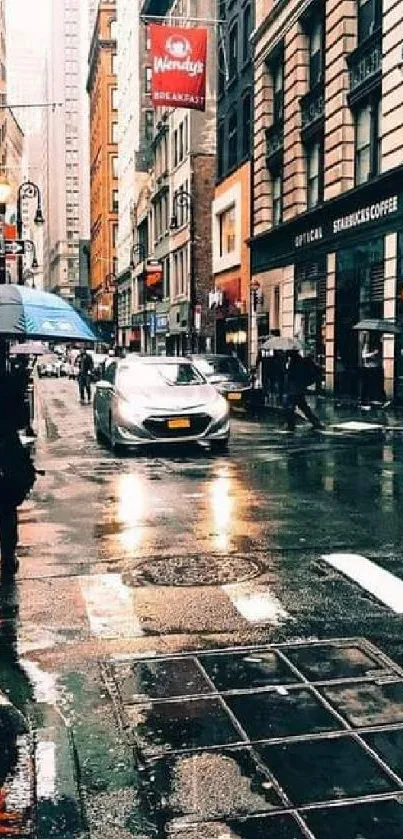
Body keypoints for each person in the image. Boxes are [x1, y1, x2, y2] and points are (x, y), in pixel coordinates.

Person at [0, 372, 36, 575]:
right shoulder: (9, 383)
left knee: (6, 507)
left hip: (7, 454)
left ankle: (7, 556)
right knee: (6, 509)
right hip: (7, 452)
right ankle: (7, 556)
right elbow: (22, 421)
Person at [284, 350, 324, 432]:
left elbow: (294, 375)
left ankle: (291, 424)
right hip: (298, 388)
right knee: (303, 407)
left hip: (295, 388)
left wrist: (287, 372)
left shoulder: (296, 362)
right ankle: (316, 423)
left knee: (290, 407)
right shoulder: (297, 360)